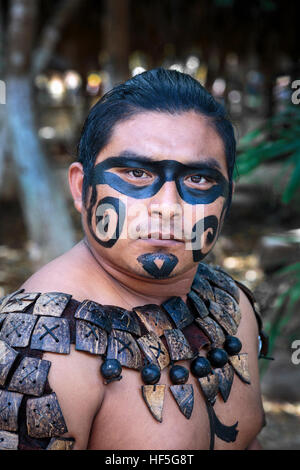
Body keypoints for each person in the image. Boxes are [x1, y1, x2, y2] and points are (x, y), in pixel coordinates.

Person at [0, 68, 268, 451]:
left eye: (198, 180)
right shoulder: (40, 349)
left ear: (228, 196)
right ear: (82, 187)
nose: (168, 208)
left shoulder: (227, 302)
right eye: (137, 173)